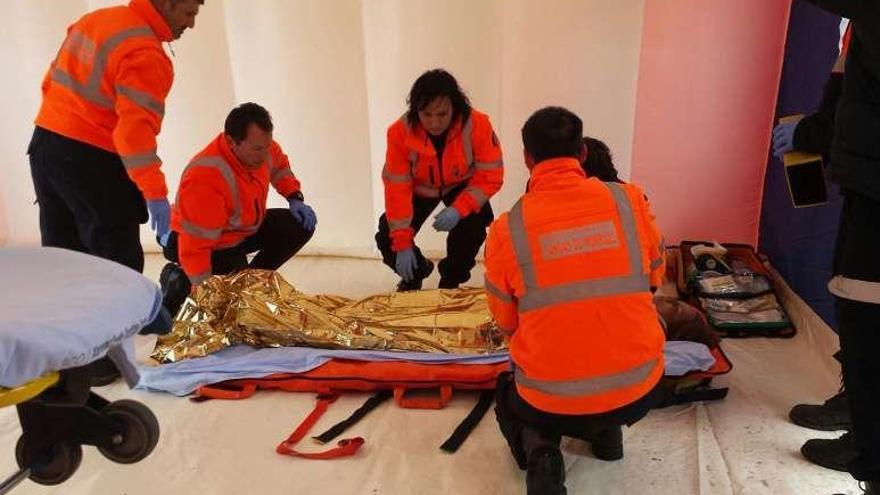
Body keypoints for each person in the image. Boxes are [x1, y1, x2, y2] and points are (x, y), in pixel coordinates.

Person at [485, 106, 666, 495]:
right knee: (611, 330)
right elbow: (655, 276)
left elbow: (506, 322)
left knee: (509, 390)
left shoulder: (507, 229)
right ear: (582, 153)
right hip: (639, 387)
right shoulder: (630, 201)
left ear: (527, 159)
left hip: (551, 399)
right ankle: (608, 438)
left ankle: (542, 452)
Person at [27, 0, 203, 384]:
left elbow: (51, 79)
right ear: (168, 4)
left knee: (63, 255)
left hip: (47, 145)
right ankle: (102, 359)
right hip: (93, 158)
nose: (190, 24)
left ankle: (61, 351)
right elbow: (134, 136)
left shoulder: (97, 21)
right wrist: (155, 195)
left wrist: (59, 127)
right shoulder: (147, 54)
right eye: (188, 13)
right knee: (116, 261)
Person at [800, 3, 880, 493]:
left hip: (875, 196)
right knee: (857, 312)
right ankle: (858, 417)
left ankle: (868, 455)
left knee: (865, 321)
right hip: (865, 187)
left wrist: (810, 134)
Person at [772, 26, 855, 472]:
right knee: (855, 301)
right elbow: (848, 106)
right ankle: (857, 406)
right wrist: (809, 133)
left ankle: (866, 438)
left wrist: (807, 133)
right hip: (865, 192)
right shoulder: (857, 29)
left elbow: (862, 114)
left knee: (867, 309)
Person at [159, 103, 316, 315]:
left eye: (267, 145)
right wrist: (204, 292)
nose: (264, 154)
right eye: (257, 149)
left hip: (239, 232)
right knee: (226, 304)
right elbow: (195, 246)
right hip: (203, 242)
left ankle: (249, 283)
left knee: (298, 226)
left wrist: (294, 197)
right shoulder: (205, 177)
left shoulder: (263, 147)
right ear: (232, 142)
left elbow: (280, 167)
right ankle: (178, 282)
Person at [375, 69, 503, 291]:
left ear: (455, 107)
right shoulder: (399, 133)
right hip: (419, 186)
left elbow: (490, 175)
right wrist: (403, 242)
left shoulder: (477, 124)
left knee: (472, 228)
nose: (434, 122)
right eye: (426, 114)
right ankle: (415, 273)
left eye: (442, 114)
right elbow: (397, 188)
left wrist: (460, 208)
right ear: (416, 111)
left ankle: (451, 280)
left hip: (461, 184)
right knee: (389, 234)